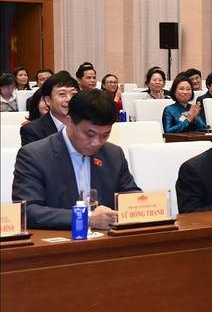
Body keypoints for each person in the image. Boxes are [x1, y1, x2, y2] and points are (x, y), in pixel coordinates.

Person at [12, 89, 142, 230]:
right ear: (69, 122)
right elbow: (27, 211)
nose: (96, 143)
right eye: (89, 134)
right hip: (59, 242)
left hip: (107, 241)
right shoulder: (34, 155)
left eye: (105, 135)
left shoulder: (113, 154)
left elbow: (131, 198)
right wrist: (86, 218)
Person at [20, 71, 79, 146]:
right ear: (48, 100)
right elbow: (36, 157)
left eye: (73, 94)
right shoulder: (32, 130)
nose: (69, 99)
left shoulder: (87, 125)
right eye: (62, 94)